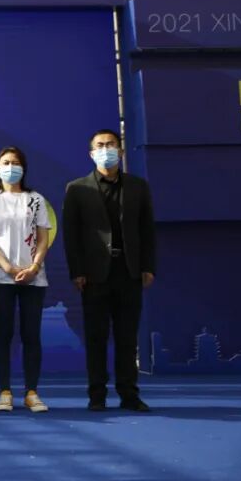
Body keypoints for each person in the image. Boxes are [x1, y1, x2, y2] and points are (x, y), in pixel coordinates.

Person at [62, 129, 156, 412]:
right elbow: (71, 235)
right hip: (94, 275)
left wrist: (148, 266)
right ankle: (97, 395)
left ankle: (129, 394)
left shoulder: (138, 187)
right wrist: (77, 271)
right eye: (100, 146)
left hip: (129, 271)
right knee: (96, 338)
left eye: (111, 145)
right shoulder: (77, 189)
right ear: (92, 154)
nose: (106, 150)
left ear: (121, 151)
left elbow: (147, 230)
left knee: (127, 338)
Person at [0, 146, 52, 413]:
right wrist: (7, 267)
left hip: (33, 278)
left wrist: (34, 266)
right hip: (0, 278)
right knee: (3, 334)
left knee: (31, 335)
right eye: (5, 163)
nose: (10, 167)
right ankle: (4, 391)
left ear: (23, 168)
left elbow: (43, 237)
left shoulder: (36, 199)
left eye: (15, 163)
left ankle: (32, 392)